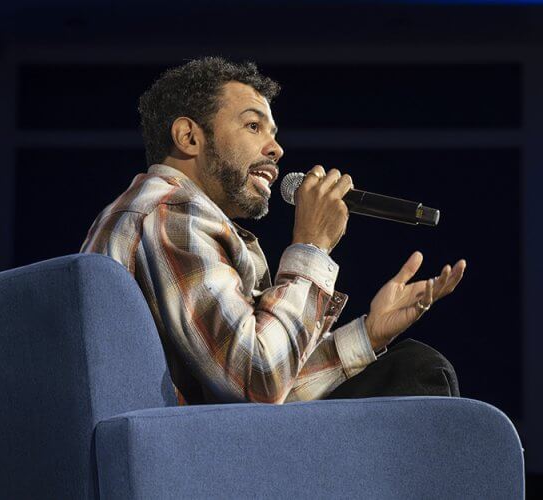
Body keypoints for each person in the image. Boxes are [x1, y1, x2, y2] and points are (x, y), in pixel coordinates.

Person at [81, 57, 465, 405]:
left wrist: (370, 335)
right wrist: (312, 247)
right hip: (188, 463)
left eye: (273, 132)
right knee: (417, 370)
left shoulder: (163, 212)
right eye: (253, 125)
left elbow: (268, 389)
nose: (277, 148)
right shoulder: (172, 213)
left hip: (193, 443)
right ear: (189, 137)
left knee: (404, 362)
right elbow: (260, 384)